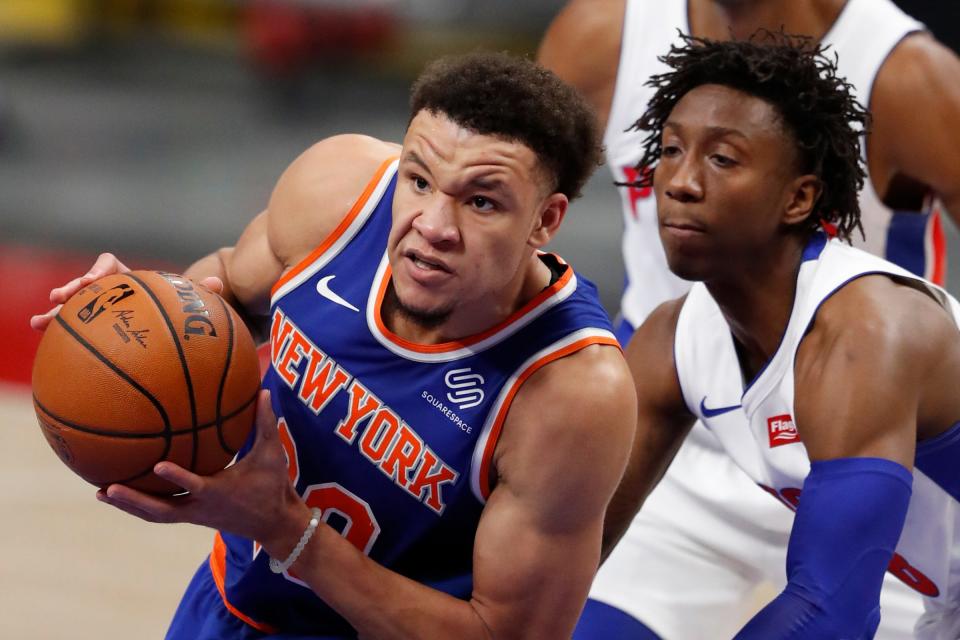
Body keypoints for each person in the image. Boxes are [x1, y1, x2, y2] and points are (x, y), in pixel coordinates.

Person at [30, 52, 636, 638]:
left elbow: (502, 634)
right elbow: (232, 287)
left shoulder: (571, 393)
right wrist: (138, 313)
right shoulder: (338, 193)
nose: (433, 225)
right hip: (227, 604)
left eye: (481, 202)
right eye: (419, 180)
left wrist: (289, 532)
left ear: (545, 220)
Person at [539, 1, 960, 637]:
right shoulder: (672, 338)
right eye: (669, 152)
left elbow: (831, 613)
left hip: (874, 468)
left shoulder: (867, 335)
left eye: (722, 159)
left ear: (800, 197)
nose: (678, 183)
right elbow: (539, 567)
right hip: (713, 450)